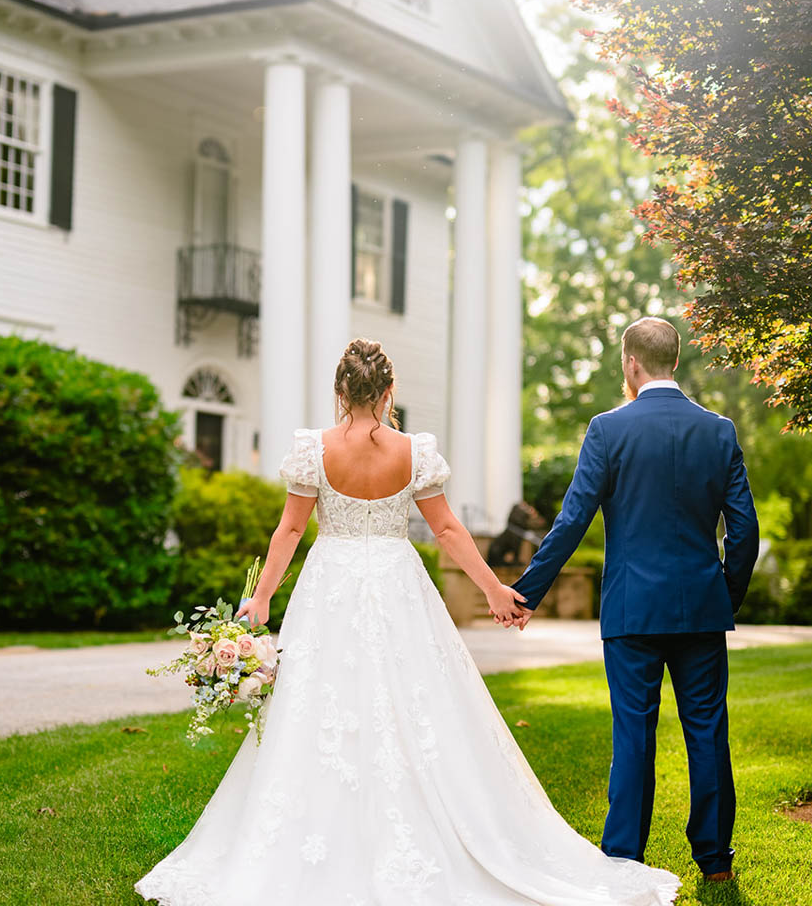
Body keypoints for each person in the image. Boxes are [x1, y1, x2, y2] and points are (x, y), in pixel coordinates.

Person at [136, 339, 680, 906]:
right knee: (421, 703)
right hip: (398, 584)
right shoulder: (414, 452)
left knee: (320, 708)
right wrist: (496, 589)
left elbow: (291, 532)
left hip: (331, 587)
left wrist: (264, 598)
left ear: (341, 391)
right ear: (389, 391)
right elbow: (447, 530)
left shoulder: (312, 450)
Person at [505, 317, 760, 885]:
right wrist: (724, 595)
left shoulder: (607, 429)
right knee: (707, 733)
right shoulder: (718, 431)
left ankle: (623, 858)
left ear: (631, 364)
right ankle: (716, 863)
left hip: (631, 611)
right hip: (700, 608)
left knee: (634, 734)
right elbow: (744, 530)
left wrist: (527, 593)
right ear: (675, 360)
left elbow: (573, 521)